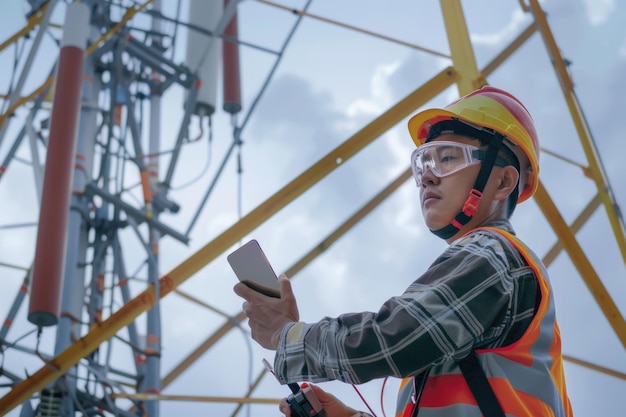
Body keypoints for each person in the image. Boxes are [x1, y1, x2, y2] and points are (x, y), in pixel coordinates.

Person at [234, 86, 573, 417]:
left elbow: (394, 339)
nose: (427, 177)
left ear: (502, 182)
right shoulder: (475, 276)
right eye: (423, 163)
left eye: (448, 158)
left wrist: (286, 336)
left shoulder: (494, 256)